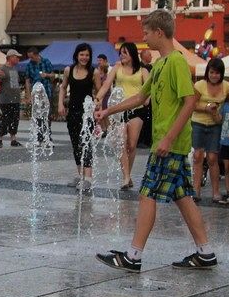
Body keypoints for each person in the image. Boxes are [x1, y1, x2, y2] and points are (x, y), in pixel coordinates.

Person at [93, 10, 216, 273]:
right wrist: (108, 110)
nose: (144, 37)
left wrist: (169, 138)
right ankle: (206, 253)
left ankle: (133, 256)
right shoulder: (158, 65)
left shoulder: (176, 63)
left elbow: (190, 101)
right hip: (167, 142)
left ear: (159, 33)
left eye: (146, 32)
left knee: (147, 194)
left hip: (168, 144)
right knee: (183, 197)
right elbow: (139, 98)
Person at [94, 41, 148, 188]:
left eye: (125, 52)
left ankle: (127, 175)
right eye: (120, 53)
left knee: (131, 145)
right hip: (118, 110)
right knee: (120, 142)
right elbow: (106, 85)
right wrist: (98, 99)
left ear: (132, 53)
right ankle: (126, 177)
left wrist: (147, 100)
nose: (122, 55)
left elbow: (149, 89)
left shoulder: (142, 70)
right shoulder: (117, 67)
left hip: (137, 110)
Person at [58, 43, 100, 191]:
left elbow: (99, 92)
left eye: (87, 55)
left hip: (87, 113)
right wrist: (60, 104)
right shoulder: (69, 70)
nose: (84, 57)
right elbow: (63, 87)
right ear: (77, 55)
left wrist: (97, 107)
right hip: (73, 112)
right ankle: (81, 175)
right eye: (82, 54)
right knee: (76, 144)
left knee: (86, 143)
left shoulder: (94, 72)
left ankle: (88, 177)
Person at [191, 57, 229, 203]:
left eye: (217, 73)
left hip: (216, 124)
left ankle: (215, 191)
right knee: (198, 156)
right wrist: (207, 108)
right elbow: (192, 105)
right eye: (212, 72)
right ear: (208, 72)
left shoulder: (227, 86)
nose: (214, 76)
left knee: (213, 158)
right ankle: (196, 190)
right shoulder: (200, 85)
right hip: (199, 123)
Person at [24, 46, 55, 146]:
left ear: (37, 55)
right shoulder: (29, 65)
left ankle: (47, 138)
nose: (30, 59)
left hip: (46, 92)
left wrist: (46, 75)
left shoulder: (46, 61)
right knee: (37, 116)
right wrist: (28, 95)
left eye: (32, 57)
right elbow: (27, 81)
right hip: (36, 94)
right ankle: (38, 137)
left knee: (47, 116)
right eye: (29, 57)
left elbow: (53, 75)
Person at [0, 49, 23, 148]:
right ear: (10, 57)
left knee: (15, 119)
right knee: (4, 119)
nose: (18, 59)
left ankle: (13, 139)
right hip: (5, 99)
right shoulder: (2, 69)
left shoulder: (15, 69)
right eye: (16, 57)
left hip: (15, 99)